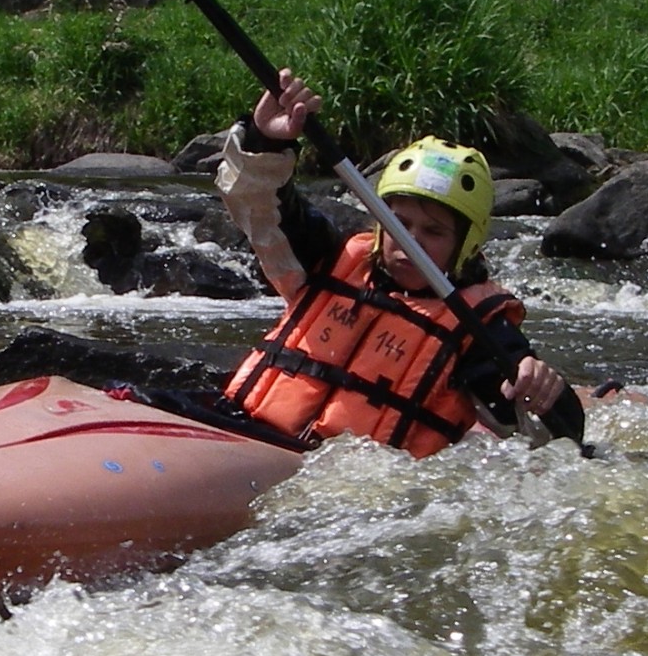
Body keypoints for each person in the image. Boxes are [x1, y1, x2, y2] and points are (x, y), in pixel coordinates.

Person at [213, 69, 575, 455]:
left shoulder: (480, 331)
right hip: (244, 428)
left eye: (433, 232)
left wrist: (544, 390)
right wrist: (266, 138)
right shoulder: (329, 259)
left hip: (339, 475)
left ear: (465, 244)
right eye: (399, 223)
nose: (409, 241)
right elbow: (258, 204)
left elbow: (551, 439)